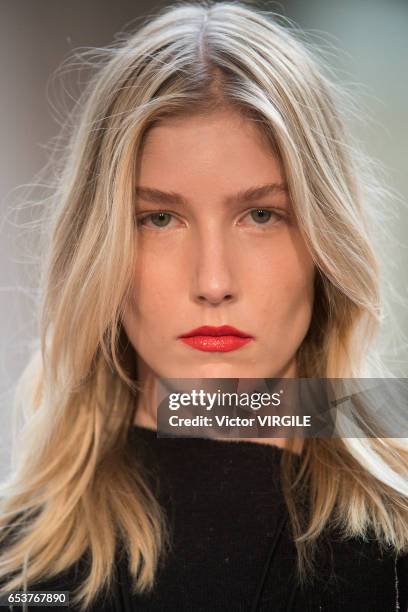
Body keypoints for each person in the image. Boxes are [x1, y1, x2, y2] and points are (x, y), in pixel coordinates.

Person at [0, 1, 407, 610]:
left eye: (261, 215)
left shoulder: (395, 542)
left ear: (326, 244)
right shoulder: (18, 567)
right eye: (159, 218)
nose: (213, 281)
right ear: (100, 249)